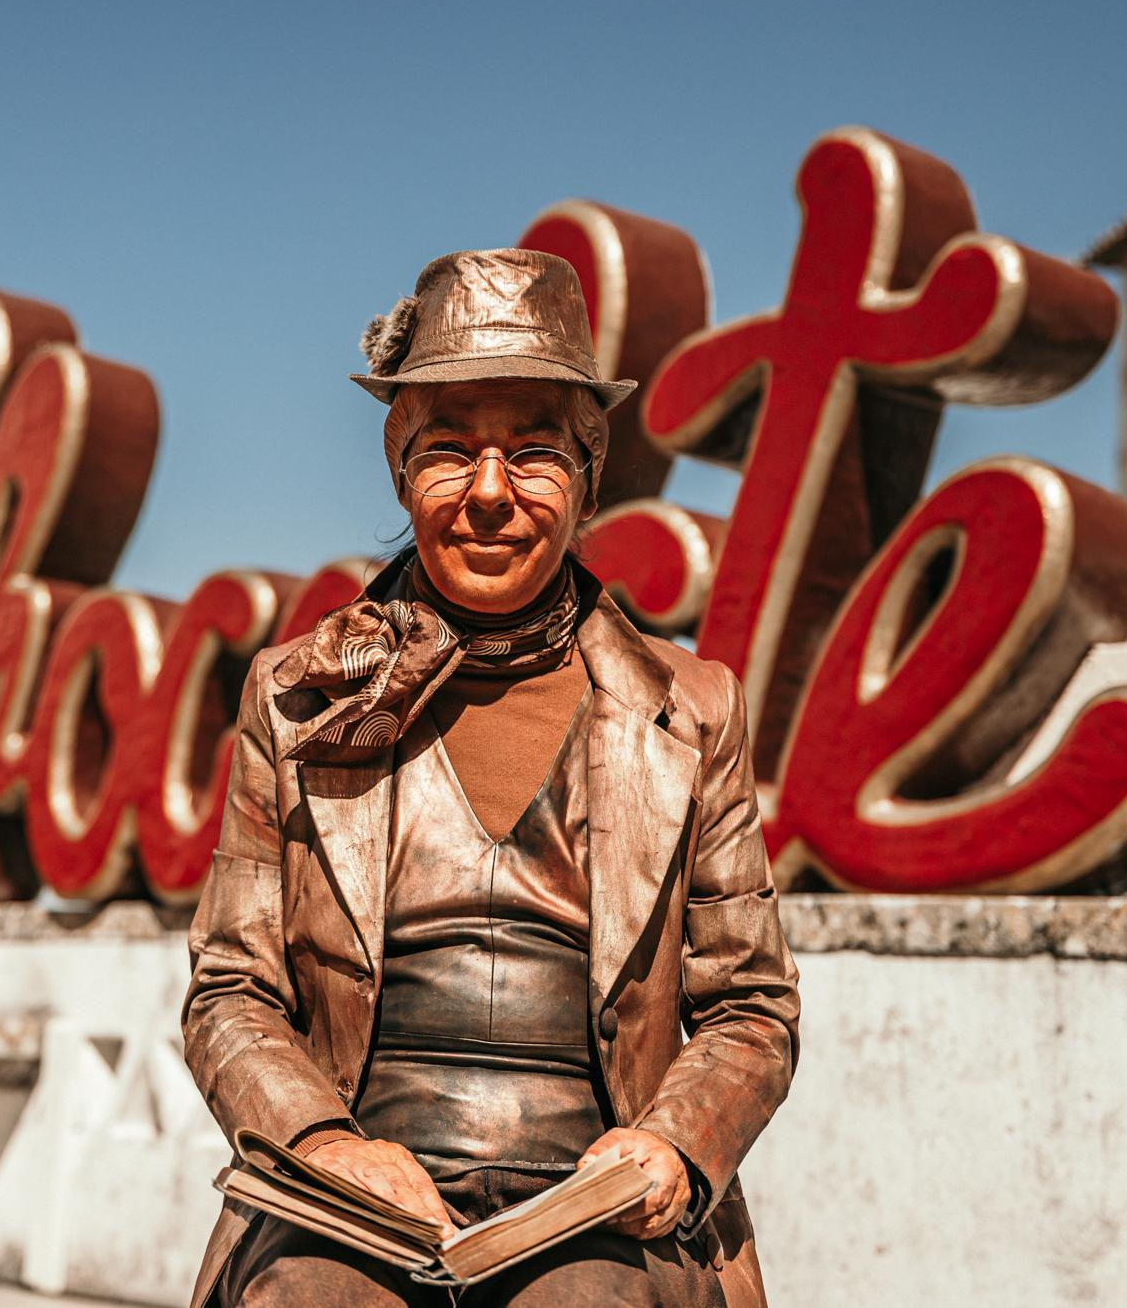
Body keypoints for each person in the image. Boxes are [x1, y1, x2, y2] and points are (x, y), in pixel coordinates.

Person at [181, 248, 800, 1306]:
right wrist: (324, 1142)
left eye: (531, 453)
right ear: (396, 465)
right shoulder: (293, 696)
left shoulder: (694, 712)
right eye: (447, 451)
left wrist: (670, 1148)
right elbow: (229, 988)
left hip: (595, 1210)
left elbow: (750, 1004)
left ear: (589, 473)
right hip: (357, 1203)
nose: (488, 494)